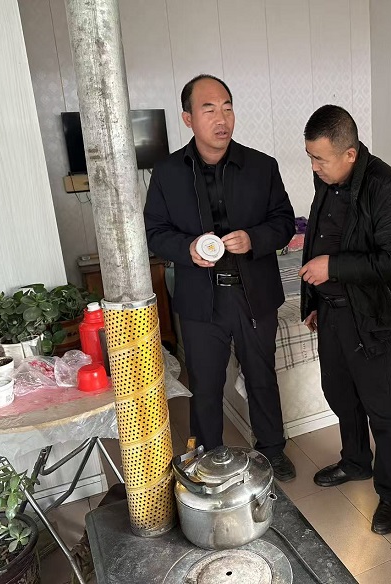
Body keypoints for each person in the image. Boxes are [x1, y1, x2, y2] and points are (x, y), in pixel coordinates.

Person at [144, 74, 296, 482]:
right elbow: (154, 231)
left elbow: (284, 222)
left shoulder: (262, 166)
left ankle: (273, 449)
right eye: (209, 109)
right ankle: (208, 456)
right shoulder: (168, 172)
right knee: (205, 385)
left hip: (253, 294)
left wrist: (254, 239)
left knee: (261, 374)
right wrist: (187, 248)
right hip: (200, 298)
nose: (221, 118)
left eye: (227, 107)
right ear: (188, 118)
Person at [299, 105, 391, 534]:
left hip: (370, 316)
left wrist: (332, 268)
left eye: (320, 159)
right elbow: (320, 238)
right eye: (310, 157)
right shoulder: (327, 180)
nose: (314, 168)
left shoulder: (386, 187)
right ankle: (355, 462)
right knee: (339, 394)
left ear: (349, 154)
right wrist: (314, 299)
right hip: (331, 311)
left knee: (381, 409)